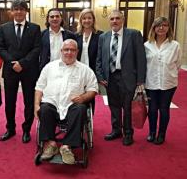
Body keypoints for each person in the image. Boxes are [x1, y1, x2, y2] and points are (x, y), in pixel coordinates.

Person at [35, 39, 98, 164]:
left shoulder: (85, 70)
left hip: (72, 107)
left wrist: (83, 98)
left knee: (81, 108)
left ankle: (66, 147)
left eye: (72, 50)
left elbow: (93, 89)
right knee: (44, 108)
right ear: (61, 51)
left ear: (77, 52)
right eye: (66, 49)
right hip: (52, 104)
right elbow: (39, 87)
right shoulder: (49, 67)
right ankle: (51, 145)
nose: (69, 52)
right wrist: (36, 105)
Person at [96, 10, 146, 146]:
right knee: (114, 106)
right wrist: (100, 76)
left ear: (123, 20)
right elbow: (99, 59)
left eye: (117, 18)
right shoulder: (103, 37)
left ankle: (128, 133)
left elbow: (141, 59)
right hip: (110, 77)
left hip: (127, 77)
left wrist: (140, 80)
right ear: (109, 21)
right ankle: (116, 130)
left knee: (128, 106)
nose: (115, 21)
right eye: (112, 19)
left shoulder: (134, 35)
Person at [0, 0, 41, 143]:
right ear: (11, 11)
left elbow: (37, 49)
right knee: (10, 101)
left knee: (29, 101)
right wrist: (12, 63)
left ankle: (26, 130)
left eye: (22, 9)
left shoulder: (34, 28)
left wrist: (22, 63)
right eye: (15, 9)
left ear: (26, 11)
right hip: (10, 70)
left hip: (29, 70)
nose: (19, 12)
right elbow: (0, 48)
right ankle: (10, 129)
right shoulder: (4, 28)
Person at [144, 17, 182, 145]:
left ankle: (161, 134)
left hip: (168, 83)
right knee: (153, 109)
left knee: (164, 109)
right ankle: (152, 132)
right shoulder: (147, 45)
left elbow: (177, 64)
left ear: (168, 28)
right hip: (151, 82)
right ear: (154, 28)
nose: (161, 28)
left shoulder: (175, 45)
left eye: (165, 25)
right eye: (158, 25)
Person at [76, 8, 103, 113]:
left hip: (93, 71)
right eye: (84, 18)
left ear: (93, 20)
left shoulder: (100, 35)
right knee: (78, 94)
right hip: (78, 71)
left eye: (89, 18)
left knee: (90, 95)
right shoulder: (76, 35)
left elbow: (101, 56)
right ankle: (79, 118)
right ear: (81, 20)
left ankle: (89, 119)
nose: (87, 21)